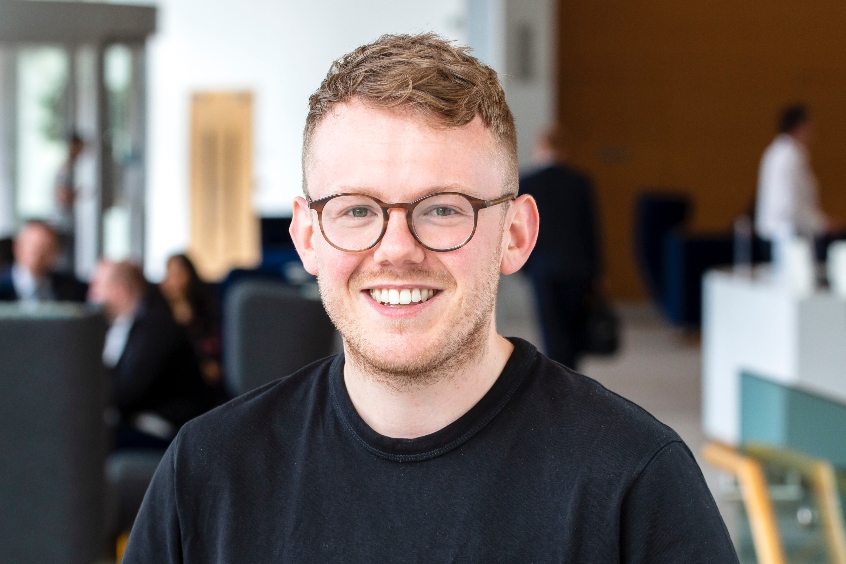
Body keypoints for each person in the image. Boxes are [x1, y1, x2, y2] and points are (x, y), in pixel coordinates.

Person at [124, 34, 738, 562]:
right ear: (308, 237)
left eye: (443, 209)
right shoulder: (208, 471)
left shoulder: (635, 481)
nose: (396, 249)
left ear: (516, 235)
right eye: (357, 210)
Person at [90, 260, 215, 451]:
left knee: (91, 438)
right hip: (144, 419)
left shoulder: (155, 326)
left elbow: (127, 394)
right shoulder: (124, 324)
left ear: (120, 290)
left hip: (173, 431)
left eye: (97, 286)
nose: (91, 295)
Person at [519, 126, 601, 369]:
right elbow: (590, 228)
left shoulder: (528, 182)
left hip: (541, 266)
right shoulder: (580, 182)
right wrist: (597, 269)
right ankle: (571, 372)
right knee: (573, 325)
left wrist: (523, 265)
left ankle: (556, 373)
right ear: (564, 149)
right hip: (577, 265)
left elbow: (520, 228)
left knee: (550, 327)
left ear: (539, 148)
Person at [756, 104, 833, 242]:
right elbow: (792, 203)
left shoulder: (777, 152)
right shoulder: (790, 156)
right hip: (787, 236)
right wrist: (821, 224)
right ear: (800, 127)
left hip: (780, 233)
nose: (812, 132)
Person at [159, 253, 223, 390]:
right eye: (170, 274)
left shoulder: (206, 307)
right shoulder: (159, 312)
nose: (172, 280)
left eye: (179, 273)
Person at [0, 219, 87, 303]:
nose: (39, 254)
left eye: (46, 247)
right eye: (34, 247)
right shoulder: (3, 287)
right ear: (18, 247)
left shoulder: (72, 288)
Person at [52, 132, 85, 270]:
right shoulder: (66, 169)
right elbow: (61, 196)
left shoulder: (74, 167)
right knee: (66, 263)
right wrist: (79, 193)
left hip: (67, 223)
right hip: (63, 223)